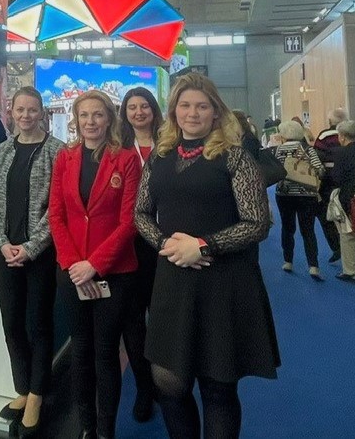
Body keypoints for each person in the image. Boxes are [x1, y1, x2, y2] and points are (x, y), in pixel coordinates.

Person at [135, 73, 279, 439]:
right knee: (168, 382)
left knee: (217, 388)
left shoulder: (235, 157)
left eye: (202, 106)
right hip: (173, 278)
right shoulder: (159, 157)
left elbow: (257, 223)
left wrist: (203, 245)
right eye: (185, 105)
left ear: (216, 112)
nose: (192, 113)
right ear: (174, 112)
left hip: (224, 282)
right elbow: (141, 212)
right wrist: (166, 244)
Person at [49, 90, 141, 439]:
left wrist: (95, 265)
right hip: (72, 271)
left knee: (105, 352)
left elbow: (129, 222)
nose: (90, 121)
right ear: (76, 119)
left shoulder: (126, 160)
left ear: (109, 118)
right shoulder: (65, 157)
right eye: (84, 115)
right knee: (80, 350)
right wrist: (76, 264)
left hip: (114, 273)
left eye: (97, 115)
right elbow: (56, 215)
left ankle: (105, 429)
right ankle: (87, 425)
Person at [0, 87, 65, 437]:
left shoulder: (56, 151)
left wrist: (31, 247)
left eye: (32, 110)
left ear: (42, 113)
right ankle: (22, 388)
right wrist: (2, 243)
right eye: (20, 109)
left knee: (38, 325)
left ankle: (37, 394)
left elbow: (57, 207)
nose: (25, 115)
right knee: (12, 324)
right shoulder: (4, 150)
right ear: (11, 111)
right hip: (6, 252)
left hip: (39, 255)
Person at [119, 88, 163, 424]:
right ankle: (144, 386)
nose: (138, 112)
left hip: (166, 242)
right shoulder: (118, 148)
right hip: (130, 243)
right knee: (132, 320)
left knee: (162, 316)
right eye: (132, 107)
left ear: (153, 109)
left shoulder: (170, 144)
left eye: (144, 106)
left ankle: (167, 381)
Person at [274, 119, 326, 279]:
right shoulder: (307, 149)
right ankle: (313, 266)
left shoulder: (278, 150)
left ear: (283, 135)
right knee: (308, 230)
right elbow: (320, 169)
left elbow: (274, 172)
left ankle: (288, 261)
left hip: (284, 193)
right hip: (307, 194)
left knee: (287, 228)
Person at [329, 120, 355, 283]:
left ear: (343, 137)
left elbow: (336, 178)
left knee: (347, 234)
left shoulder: (340, 153)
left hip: (348, 197)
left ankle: (350, 271)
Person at [313, 108, 347, 262]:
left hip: (328, 181)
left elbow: (316, 157)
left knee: (325, 214)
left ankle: (336, 246)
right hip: (349, 181)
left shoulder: (324, 136)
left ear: (330, 122)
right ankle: (350, 247)